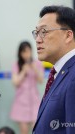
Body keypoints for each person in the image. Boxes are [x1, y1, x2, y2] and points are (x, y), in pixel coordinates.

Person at [32, 5, 75, 134]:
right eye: (36, 33)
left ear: (68, 35)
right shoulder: (60, 72)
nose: (38, 40)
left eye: (44, 32)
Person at [10, 41, 44, 134]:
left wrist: (35, 68)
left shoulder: (37, 63)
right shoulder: (16, 64)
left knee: (36, 128)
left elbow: (41, 80)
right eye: (24, 52)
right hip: (21, 101)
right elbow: (15, 82)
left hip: (34, 101)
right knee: (24, 131)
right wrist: (24, 71)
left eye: (28, 51)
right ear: (20, 53)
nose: (27, 54)